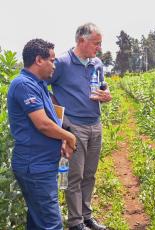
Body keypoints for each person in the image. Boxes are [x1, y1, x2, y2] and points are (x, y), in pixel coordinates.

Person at [7, 39, 77, 230]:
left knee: (38, 221)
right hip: (35, 166)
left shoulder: (39, 85)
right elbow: (43, 124)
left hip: (41, 165)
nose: (54, 65)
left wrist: (62, 136)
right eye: (52, 60)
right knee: (52, 224)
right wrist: (69, 137)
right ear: (39, 60)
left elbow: (52, 119)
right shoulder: (24, 85)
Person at [48, 23, 112, 230]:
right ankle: (75, 222)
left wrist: (107, 94)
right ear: (81, 41)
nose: (99, 48)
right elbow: (43, 87)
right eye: (96, 43)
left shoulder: (97, 63)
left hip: (95, 124)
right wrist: (61, 121)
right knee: (75, 175)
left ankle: (86, 216)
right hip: (74, 127)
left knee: (90, 174)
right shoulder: (62, 63)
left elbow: (103, 86)